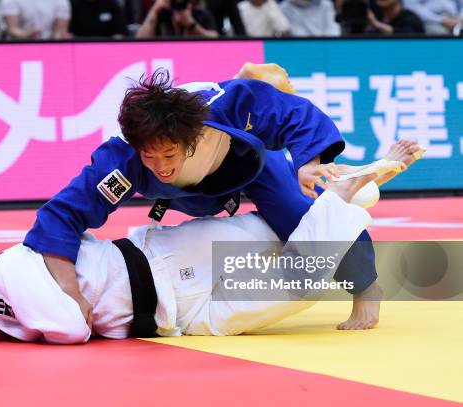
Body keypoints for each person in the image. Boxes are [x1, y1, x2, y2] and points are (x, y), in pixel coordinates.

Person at [22, 63, 425, 332]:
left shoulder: (228, 105)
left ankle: (366, 289)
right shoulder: (121, 157)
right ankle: (353, 184)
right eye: (150, 154)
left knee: (302, 223)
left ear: (190, 138)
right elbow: (61, 215)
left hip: (249, 166)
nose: (159, 163)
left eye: (169, 153)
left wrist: (307, 162)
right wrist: (69, 290)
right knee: (199, 215)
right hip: (185, 196)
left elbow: (297, 115)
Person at [0, 163, 407, 344]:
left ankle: (340, 187)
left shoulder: (8, 272)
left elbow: (70, 328)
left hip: (169, 263)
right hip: (177, 318)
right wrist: (70, 311)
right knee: (305, 281)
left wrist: (71, 310)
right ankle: (355, 195)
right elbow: (69, 323)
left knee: (279, 228)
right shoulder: (9, 314)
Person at [136, 0, 219, 38]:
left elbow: (215, 38)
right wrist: (154, 10)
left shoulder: (202, 14)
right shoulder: (160, 14)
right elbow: (140, 38)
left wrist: (192, 25)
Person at [1, 0, 71, 40]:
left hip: (50, 47)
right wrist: (25, 35)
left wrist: (61, 37)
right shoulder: (10, 1)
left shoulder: (62, 2)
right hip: (18, 45)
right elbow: (12, 28)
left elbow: (60, 31)